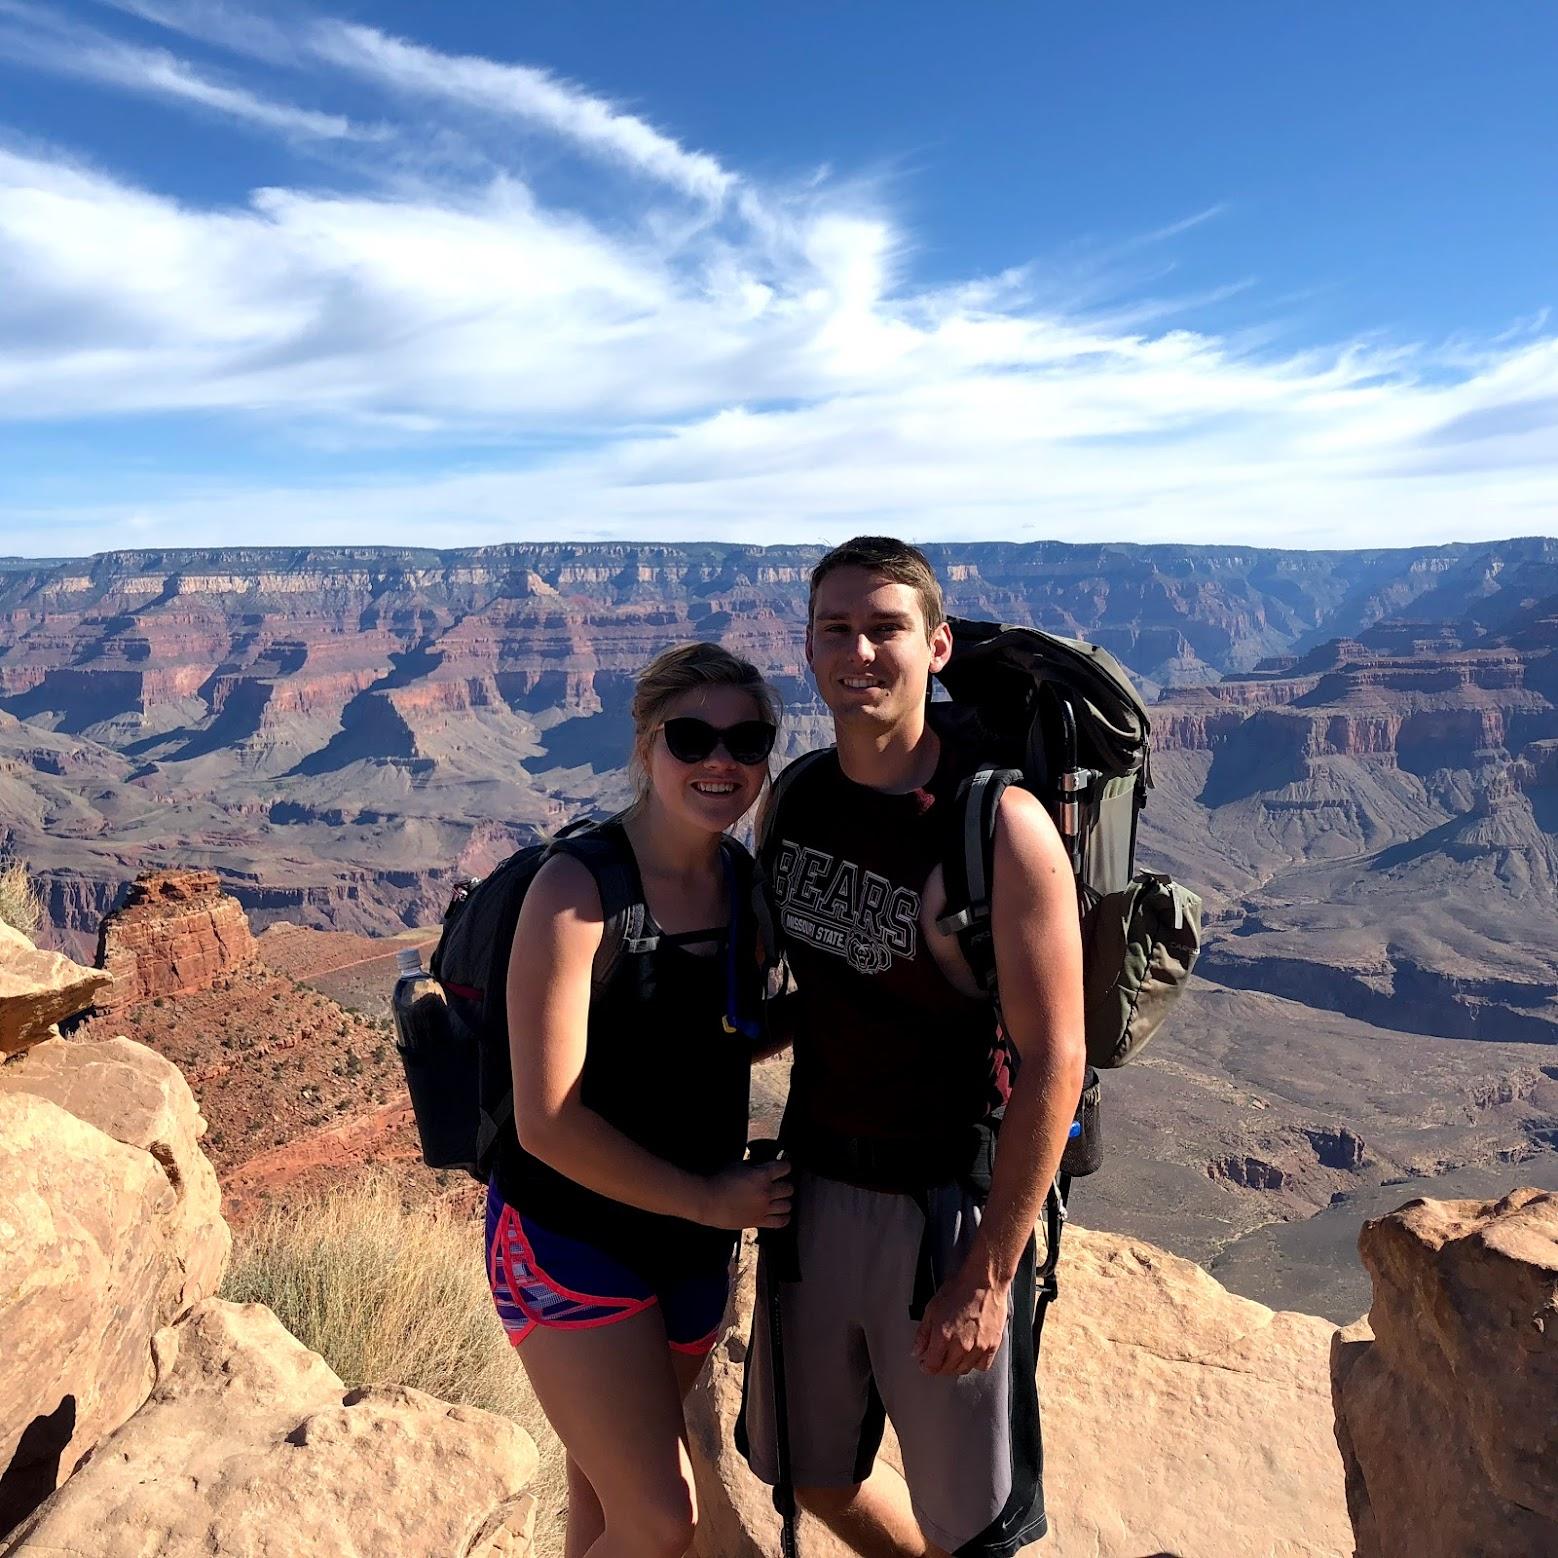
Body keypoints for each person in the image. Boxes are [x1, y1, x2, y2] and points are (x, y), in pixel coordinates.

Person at [737, 537, 1087, 1558]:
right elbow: (804, 995)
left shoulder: (999, 826)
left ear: (934, 647)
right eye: (836, 629)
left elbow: (1056, 1060)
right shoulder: (796, 798)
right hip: (813, 1191)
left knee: (969, 1531)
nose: (859, 652)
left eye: (885, 628)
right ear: (808, 647)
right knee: (810, 1473)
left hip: (943, 1211)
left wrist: (988, 1273)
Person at [487, 642, 794, 1558]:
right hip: (568, 1238)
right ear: (646, 744)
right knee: (662, 1520)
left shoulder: (743, 884)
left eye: (747, 742)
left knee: (604, 1507)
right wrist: (710, 1199)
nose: (720, 761)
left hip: (691, 1249)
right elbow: (547, 1122)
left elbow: (718, 1036)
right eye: (692, 738)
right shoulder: (577, 889)